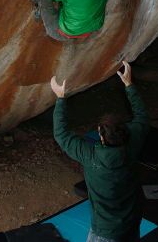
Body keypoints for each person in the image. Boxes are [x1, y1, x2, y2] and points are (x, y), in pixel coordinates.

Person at [50, 61, 149, 242]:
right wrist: (129, 84)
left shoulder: (91, 156)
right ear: (125, 131)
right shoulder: (133, 142)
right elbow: (142, 116)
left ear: (100, 135)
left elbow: (61, 134)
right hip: (132, 219)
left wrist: (60, 98)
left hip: (105, 231)